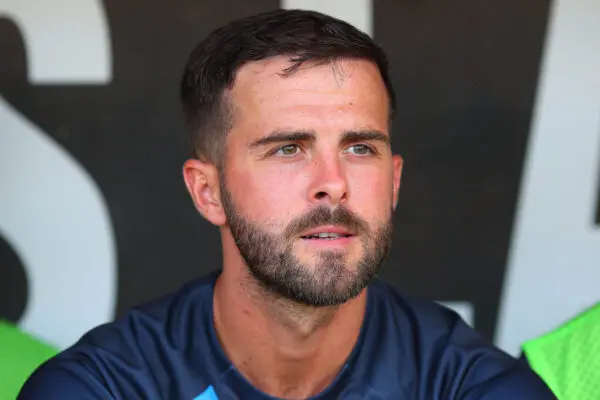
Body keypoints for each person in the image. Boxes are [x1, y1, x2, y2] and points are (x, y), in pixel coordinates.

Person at [19, 9, 556, 399]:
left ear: (394, 182)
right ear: (207, 191)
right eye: (288, 149)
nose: (333, 183)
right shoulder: (100, 389)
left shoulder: (475, 388)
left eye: (360, 148)